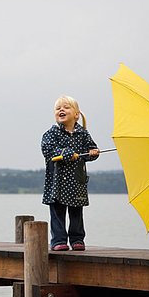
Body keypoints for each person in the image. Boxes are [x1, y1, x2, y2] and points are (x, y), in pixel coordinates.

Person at [41, 96, 100, 251]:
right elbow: (48, 150)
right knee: (58, 212)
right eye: (58, 108)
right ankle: (58, 240)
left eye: (66, 107)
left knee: (76, 212)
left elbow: (89, 150)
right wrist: (65, 153)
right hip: (58, 182)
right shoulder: (51, 133)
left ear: (76, 115)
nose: (61, 110)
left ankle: (77, 239)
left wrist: (93, 153)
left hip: (76, 181)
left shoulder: (83, 133)